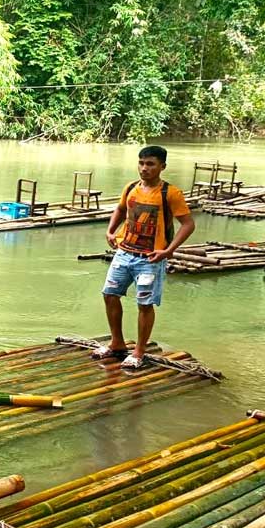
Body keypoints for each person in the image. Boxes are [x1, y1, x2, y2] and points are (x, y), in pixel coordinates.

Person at [94, 146, 195, 370]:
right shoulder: (131, 187)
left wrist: (169, 251)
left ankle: (139, 351)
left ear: (162, 166)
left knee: (145, 304)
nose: (144, 168)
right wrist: (111, 231)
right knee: (110, 294)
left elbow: (188, 224)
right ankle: (117, 343)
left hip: (150, 259)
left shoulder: (170, 193)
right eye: (141, 163)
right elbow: (120, 210)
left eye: (150, 164)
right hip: (124, 252)